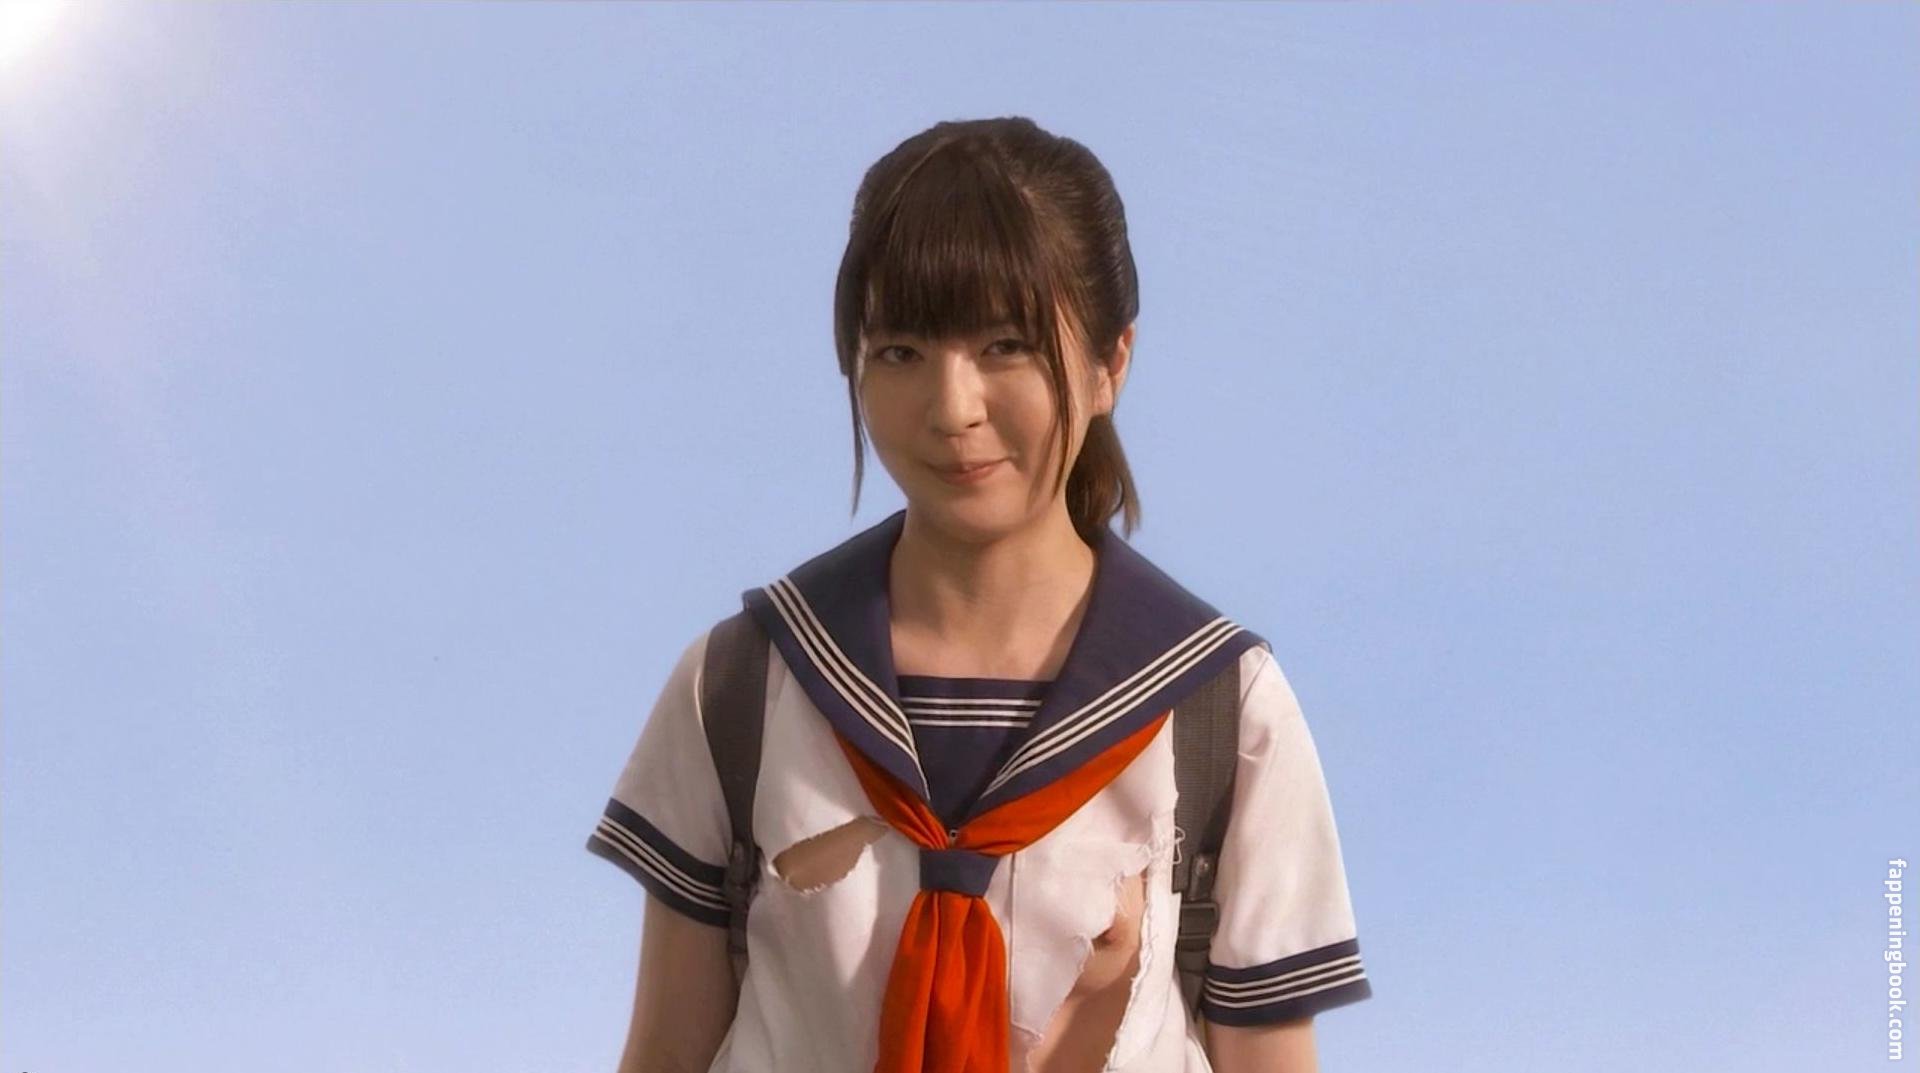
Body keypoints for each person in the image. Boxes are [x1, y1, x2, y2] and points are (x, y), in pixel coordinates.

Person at [586, 116, 1372, 1073]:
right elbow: (664, 1051)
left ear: (1111, 363)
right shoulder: (743, 682)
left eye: (1006, 346)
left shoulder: (1219, 708)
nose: (952, 408)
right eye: (900, 352)